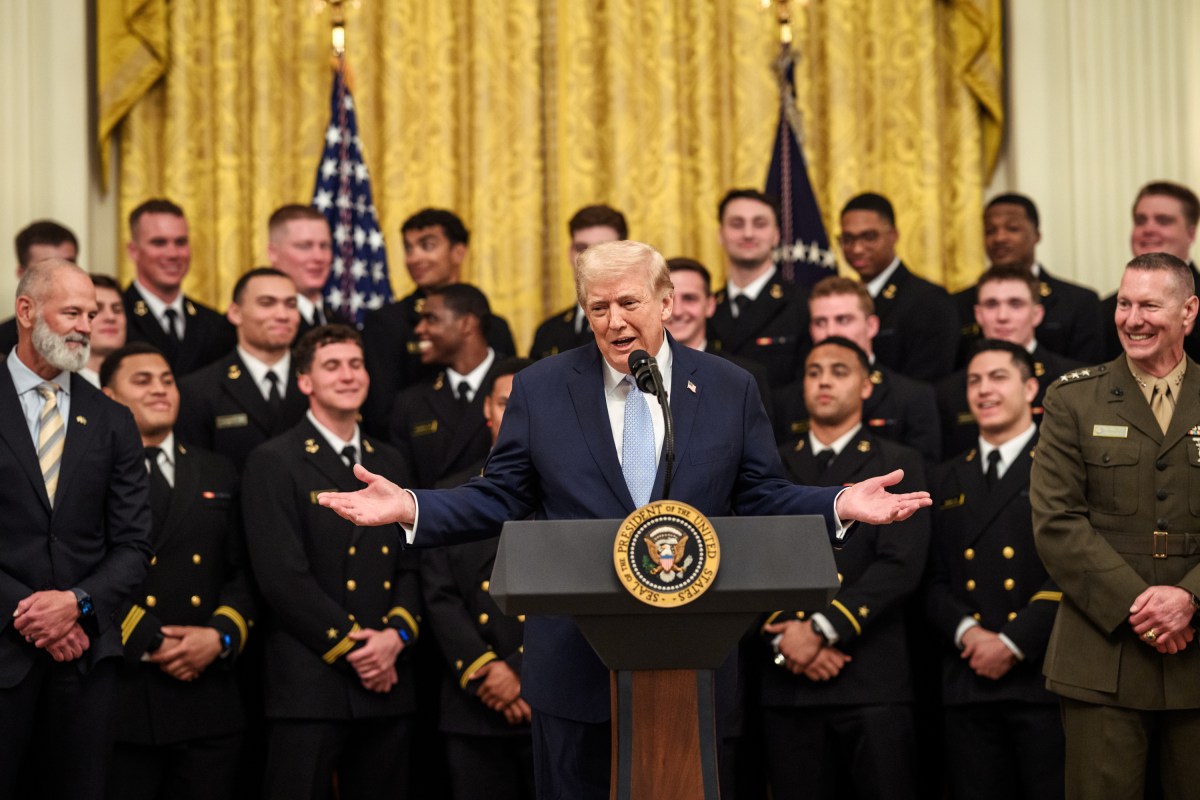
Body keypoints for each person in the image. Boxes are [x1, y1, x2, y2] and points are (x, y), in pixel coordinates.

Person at [319, 239, 931, 798]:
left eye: (630, 302)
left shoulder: (729, 387)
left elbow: (761, 494)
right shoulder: (542, 388)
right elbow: (501, 494)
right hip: (574, 657)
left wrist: (837, 503)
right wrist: (412, 505)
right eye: (598, 307)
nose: (614, 321)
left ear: (667, 302)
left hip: (694, 652)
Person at [1031, 252, 1200, 799]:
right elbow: (1057, 522)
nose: (1132, 318)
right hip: (1101, 656)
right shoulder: (1072, 398)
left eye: (1150, 304)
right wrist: (1142, 603)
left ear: (1188, 311)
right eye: (1124, 303)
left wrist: (1190, 599)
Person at [243, 324, 421, 800]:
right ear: (305, 382)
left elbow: (411, 564)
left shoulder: (391, 460)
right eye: (332, 366)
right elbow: (282, 578)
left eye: (356, 364)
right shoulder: (274, 461)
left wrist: (393, 639)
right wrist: (354, 649)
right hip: (310, 684)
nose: (348, 375)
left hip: (388, 679)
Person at [0, 258, 152, 800]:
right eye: (72, 311)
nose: (87, 325)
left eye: (91, 313)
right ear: (26, 311)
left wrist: (76, 603)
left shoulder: (113, 419)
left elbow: (134, 545)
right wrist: (36, 613)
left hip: (86, 661)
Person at [764, 336, 930, 800]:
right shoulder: (773, 462)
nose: (824, 381)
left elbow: (900, 565)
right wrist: (788, 632)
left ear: (865, 385)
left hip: (870, 676)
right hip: (788, 674)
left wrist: (820, 628)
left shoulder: (897, 463)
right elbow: (755, 556)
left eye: (839, 371)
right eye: (814, 371)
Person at [101, 342, 256, 800]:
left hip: (208, 693)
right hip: (127, 692)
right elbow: (76, 572)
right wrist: (149, 637)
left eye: (167, 380)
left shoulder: (216, 469)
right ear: (109, 397)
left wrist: (220, 636)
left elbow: (246, 570)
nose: (160, 390)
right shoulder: (88, 472)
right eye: (143, 381)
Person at [928, 339, 1064, 800]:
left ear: (1030, 389)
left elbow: (1074, 571)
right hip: (968, 677)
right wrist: (969, 633)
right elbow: (930, 578)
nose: (984, 390)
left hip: (1042, 673)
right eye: (974, 380)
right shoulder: (945, 476)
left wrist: (1011, 642)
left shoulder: (1061, 464)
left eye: (998, 377)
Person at [423, 356, 536, 800]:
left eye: (525, 406)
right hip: (473, 698)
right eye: (506, 403)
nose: (513, 415)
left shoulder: (574, 492)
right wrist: (488, 671)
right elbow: (439, 595)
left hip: (549, 695)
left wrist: (521, 672)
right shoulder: (450, 493)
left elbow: (577, 595)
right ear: (486, 411)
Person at [360, 208, 516, 435]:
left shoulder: (495, 325)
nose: (414, 258)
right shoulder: (386, 322)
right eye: (408, 248)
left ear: (458, 252)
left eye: (427, 245)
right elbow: (381, 415)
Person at [774, 276, 942, 463]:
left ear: (871, 326)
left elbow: (919, 477)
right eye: (820, 322)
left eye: (843, 320)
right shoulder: (786, 402)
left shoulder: (912, 398)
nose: (831, 332)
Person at [935, 266, 1082, 458]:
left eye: (1015, 304)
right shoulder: (947, 393)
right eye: (991, 304)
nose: (1002, 317)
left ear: (1037, 314)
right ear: (978, 315)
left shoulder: (1074, 381)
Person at [176, 268, 306, 471]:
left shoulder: (322, 380)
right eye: (267, 303)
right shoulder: (198, 390)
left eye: (291, 304)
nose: (282, 315)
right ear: (236, 313)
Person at [955, 194, 1102, 365]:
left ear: (1037, 235)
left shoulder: (1079, 302)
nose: (999, 238)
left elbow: (1090, 377)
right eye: (990, 231)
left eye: (1012, 228)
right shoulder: (958, 304)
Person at [837, 193, 959, 381]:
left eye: (869, 237)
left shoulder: (928, 301)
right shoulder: (843, 301)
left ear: (893, 235)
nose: (857, 249)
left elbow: (927, 384)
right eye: (848, 239)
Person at [387, 283, 496, 488]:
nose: (419, 329)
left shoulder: (519, 383)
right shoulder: (411, 403)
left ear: (466, 324)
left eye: (431, 319)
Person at [708, 189, 812, 388]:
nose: (748, 234)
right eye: (737, 224)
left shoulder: (803, 304)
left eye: (760, 224)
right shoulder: (705, 308)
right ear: (721, 235)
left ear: (776, 235)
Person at [122, 199, 236, 377]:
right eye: (159, 243)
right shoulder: (116, 316)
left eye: (180, 242)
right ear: (133, 251)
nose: (172, 254)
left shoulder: (214, 323)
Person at [665, 256, 773, 424]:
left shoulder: (742, 377)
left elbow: (761, 448)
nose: (677, 311)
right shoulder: (633, 374)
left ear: (710, 305)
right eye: (667, 300)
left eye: (689, 299)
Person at [1101, 182, 1200, 361]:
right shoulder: (1102, 311)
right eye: (1140, 221)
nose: (1148, 229)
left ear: (1191, 234)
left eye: (1163, 221)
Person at [530, 205, 627, 359]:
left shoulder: (639, 321)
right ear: (570, 253)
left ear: (625, 253)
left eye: (601, 249)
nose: (590, 259)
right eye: (581, 248)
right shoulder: (548, 332)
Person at [265, 204, 348, 344]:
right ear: (273, 253)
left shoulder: (343, 325)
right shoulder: (258, 325)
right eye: (304, 246)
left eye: (324, 246)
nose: (318, 257)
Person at [0, 219, 79, 354]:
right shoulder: (3, 341)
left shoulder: (102, 329)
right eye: (47, 267)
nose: (61, 275)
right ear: (22, 274)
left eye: (68, 265)